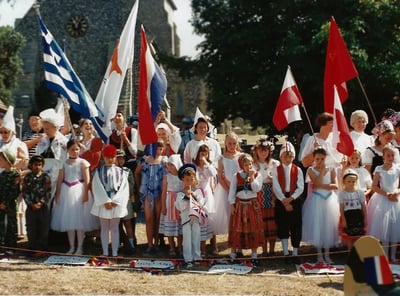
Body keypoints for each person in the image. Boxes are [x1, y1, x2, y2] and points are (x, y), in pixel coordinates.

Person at [51, 139, 96, 255]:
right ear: (67, 150)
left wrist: (86, 193)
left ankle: (80, 247)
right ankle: (71, 247)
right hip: (66, 192)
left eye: (77, 149)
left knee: (80, 222)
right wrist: (58, 194)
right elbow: (60, 179)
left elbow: (87, 180)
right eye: (72, 149)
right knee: (69, 222)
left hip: (79, 191)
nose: (75, 152)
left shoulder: (83, 162)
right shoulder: (63, 163)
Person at [302, 147, 340, 264]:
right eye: (317, 159)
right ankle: (319, 254)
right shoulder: (310, 170)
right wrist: (322, 172)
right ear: (314, 159)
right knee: (318, 225)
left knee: (328, 225)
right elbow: (315, 184)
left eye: (322, 159)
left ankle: (327, 254)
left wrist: (323, 185)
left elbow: (335, 186)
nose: (320, 161)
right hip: (317, 200)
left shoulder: (332, 169)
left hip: (329, 199)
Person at [91, 145, 130, 257]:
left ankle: (115, 252)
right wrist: (105, 201)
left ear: (115, 157)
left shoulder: (122, 172)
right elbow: (96, 186)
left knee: (114, 228)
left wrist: (116, 201)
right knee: (104, 228)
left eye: (112, 157)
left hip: (116, 203)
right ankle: (105, 252)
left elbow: (124, 187)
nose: (110, 159)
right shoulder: (98, 171)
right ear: (103, 157)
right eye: (107, 157)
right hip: (104, 203)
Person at [272, 142, 304, 264]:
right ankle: (286, 252)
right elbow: (275, 186)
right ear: (280, 157)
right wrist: (284, 201)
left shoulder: (298, 170)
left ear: (294, 157)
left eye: (290, 156)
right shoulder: (276, 170)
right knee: (283, 225)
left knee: (296, 226)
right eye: (285, 156)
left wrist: (291, 199)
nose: (287, 158)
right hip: (282, 200)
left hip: (294, 200)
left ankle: (295, 253)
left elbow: (300, 187)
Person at [367, 145, 400, 262]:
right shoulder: (379, 169)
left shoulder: (397, 169)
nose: (390, 158)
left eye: (392, 155)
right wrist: (387, 195)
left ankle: (393, 255)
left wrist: (396, 192)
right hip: (382, 199)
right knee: (384, 229)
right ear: (383, 157)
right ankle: (385, 255)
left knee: (395, 228)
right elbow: (374, 187)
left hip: (396, 199)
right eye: (388, 155)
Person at [228, 153, 263, 262]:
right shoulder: (236, 176)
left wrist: (252, 176)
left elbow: (256, 189)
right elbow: (232, 191)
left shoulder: (258, 175)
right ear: (242, 165)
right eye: (246, 164)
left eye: (250, 164)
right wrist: (232, 204)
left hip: (252, 205)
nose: (248, 166)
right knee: (237, 228)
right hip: (240, 205)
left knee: (253, 228)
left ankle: (254, 254)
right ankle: (234, 253)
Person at [137, 141, 167, 256]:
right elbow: (137, 173)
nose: (157, 151)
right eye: (156, 148)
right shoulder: (145, 160)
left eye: (160, 149)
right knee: (149, 219)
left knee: (158, 219)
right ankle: (149, 245)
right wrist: (141, 187)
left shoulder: (165, 161)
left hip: (160, 194)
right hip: (148, 193)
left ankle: (157, 244)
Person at [175, 164, 207, 267]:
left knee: (196, 237)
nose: (189, 182)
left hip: (196, 219)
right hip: (186, 220)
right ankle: (188, 258)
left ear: (194, 179)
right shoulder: (180, 194)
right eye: (187, 180)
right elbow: (180, 207)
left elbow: (202, 204)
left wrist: (194, 196)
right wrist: (186, 197)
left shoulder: (198, 192)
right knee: (187, 238)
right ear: (183, 180)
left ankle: (197, 257)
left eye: (191, 180)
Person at [253, 138, 280, 257]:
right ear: (256, 151)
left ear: (269, 151)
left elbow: (279, 179)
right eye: (261, 150)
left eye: (266, 150)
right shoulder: (253, 164)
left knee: (272, 223)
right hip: (259, 195)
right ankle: (264, 250)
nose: (263, 153)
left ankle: (272, 250)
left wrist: (272, 178)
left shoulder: (275, 163)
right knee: (261, 224)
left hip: (272, 195)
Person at [213, 132, 241, 236]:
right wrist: (229, 191)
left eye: (234, 143)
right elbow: (220, 177)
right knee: (228, 213)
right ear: (225, 143)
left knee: (239, 213)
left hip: (239, 189)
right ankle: (231, 236)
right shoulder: (221, 158)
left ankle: (238, 235)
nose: (232, 146)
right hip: (225, 189)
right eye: (229, 143)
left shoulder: (241, 156)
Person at [22, 155, 52, 251]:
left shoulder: (45, 177)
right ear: (31, 165)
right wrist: (31, 203)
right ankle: (32, 248)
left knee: (43, 227)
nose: (37, 167)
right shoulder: (27, 177)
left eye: (40, 165)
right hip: (31, 207)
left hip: (42, 207)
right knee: (31, 228)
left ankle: (42, 248)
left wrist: (41, 203)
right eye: (35, 164)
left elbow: (48, 192)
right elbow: (24, 192)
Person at [192, 143, 217, 256]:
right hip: (197, 195)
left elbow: (213, 173)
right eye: (201, 153)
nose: (203, 155)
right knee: (199, 221)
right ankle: (200, 248)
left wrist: (206, 163)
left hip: (207, 195)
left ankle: (213, 245)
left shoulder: (208, 166)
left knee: (210, 219)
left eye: (205, 153)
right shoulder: (194, 167)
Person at [159, 154, 183, 258]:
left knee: (179, 226)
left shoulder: (182, 177)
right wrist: (163, 206)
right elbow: (164, 192)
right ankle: (172, 247)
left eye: (172, 164)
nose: (170, 166)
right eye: (168, 164)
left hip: (179, 203)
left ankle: (180, 247)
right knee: (170, 225)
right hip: (169, 203)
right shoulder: (167, 177)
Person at [339, 169, 367, 251]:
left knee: (359, 236)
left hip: (358, 215)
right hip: (348, 215)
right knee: (350, 237)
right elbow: (341, 208)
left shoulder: (360, 192)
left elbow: (363, 206)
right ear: (344, 181)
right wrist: (343, 219)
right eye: (349, 181)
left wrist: (365, 218)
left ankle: (359, 254)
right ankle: (350, 254)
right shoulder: (342, 193)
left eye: (353, 181)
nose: (351, 183)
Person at [116, 149, 137, 255]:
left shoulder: (127, 171)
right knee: (116, 224)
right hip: (115, 200)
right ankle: (118, 244)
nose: (120, 160)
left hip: (126, 200)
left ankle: (131, 244)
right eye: (118, 158)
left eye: (122, 158)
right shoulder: (111, 171)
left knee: (128, 222)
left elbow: (132, 187)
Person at [0, 150, 21, 248]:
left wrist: (6, 203)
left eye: (1, 160)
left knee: (11, 224)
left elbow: (15, 191)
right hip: (1, 203)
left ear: (7, 161)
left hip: (10, 204)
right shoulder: (2, 174)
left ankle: (11, 245)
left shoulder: (15, 174)